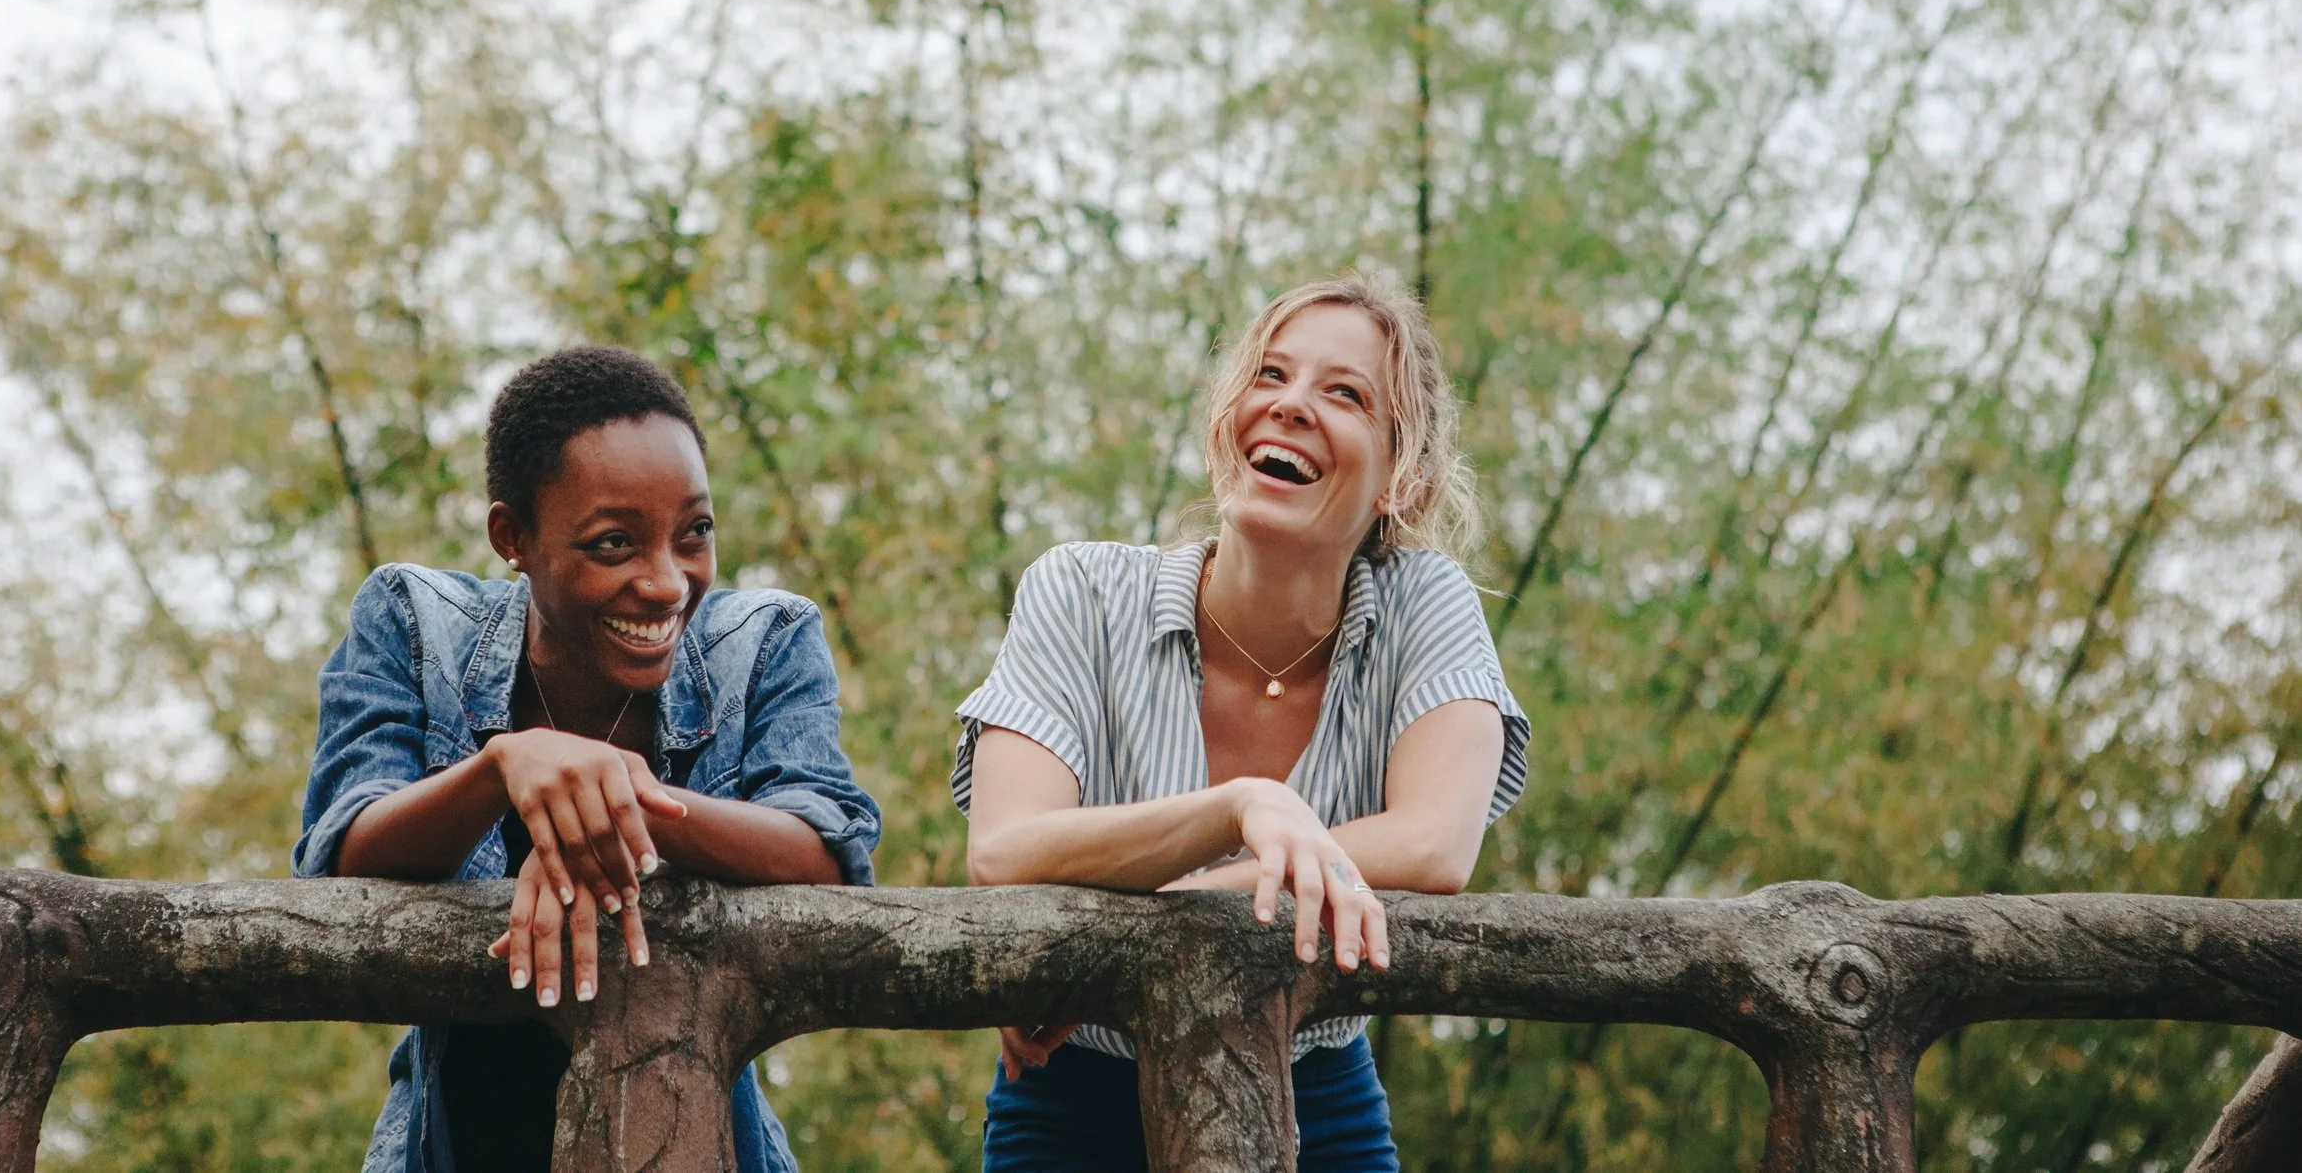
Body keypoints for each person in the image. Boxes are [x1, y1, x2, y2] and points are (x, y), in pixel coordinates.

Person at [955, 274, 1531, 1172]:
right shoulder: (1077, 590)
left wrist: (1140, 934)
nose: (1291, 405)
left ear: (1403, 479)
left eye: (1345, 393)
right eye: (1270, 375)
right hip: (1070, 1094)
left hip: (1320, 1091)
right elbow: (1002, 849)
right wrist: (1241, 806)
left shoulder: (1429, 605)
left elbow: (1434, 846)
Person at [295, 346, 878, 1173]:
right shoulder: (413, 621)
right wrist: (505, 765)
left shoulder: (769, 640)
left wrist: (623, 805)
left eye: (695, 533)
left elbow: (829, 854)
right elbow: (341, 850)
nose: (669, 582)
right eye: (614, 544)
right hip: (452, 1139)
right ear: (514, 536)